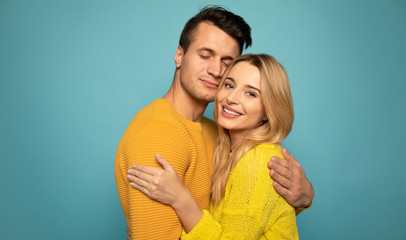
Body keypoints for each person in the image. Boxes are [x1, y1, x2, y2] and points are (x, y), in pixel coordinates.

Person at [115, 6, 313, 240]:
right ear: (180, 55)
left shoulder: (220, 136)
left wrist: (302, 197)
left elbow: (248, 213)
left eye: (226, 62)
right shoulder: (159, 131)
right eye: (205, 55)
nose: (215, 70)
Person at [128, 54, 299, 239]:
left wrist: (181, 198)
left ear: (268, 110)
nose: (231, 98)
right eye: (229, 85)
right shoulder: (231, 153)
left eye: (251, 93)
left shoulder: (257, 163)